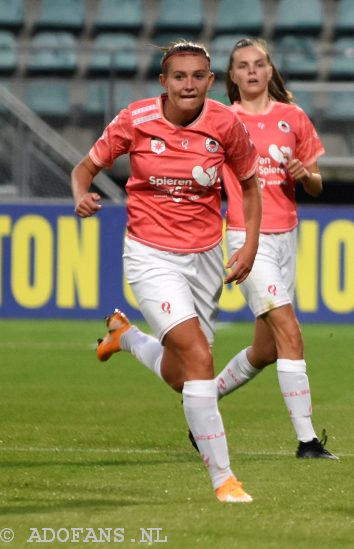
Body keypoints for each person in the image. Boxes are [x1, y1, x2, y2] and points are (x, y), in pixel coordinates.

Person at [71, 40, 263, 503]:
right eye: (180, 76)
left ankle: (126, 337)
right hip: (149, 257)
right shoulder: (134, 120)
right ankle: (224, 480)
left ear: (211, 81)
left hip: (204, 259)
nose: (189, 85)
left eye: (198, 76)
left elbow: (251, 185)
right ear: (164, 81)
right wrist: (80, 193)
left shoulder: (225, 124)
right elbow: (85, 166)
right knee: (200, 361)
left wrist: (251, 245)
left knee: (183, 375)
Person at [207, 37, 336, 459]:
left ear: (270, 71)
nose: (252, 71)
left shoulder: (293, 117)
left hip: (286, 239)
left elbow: (316, 183)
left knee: (264, 350)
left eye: (259, 64)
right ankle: (307, 441)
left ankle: (202, 403)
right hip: (248, 238)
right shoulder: (222, 119)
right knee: (290, 333)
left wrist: (304, 174)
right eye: (242, 65)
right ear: (233, 76)